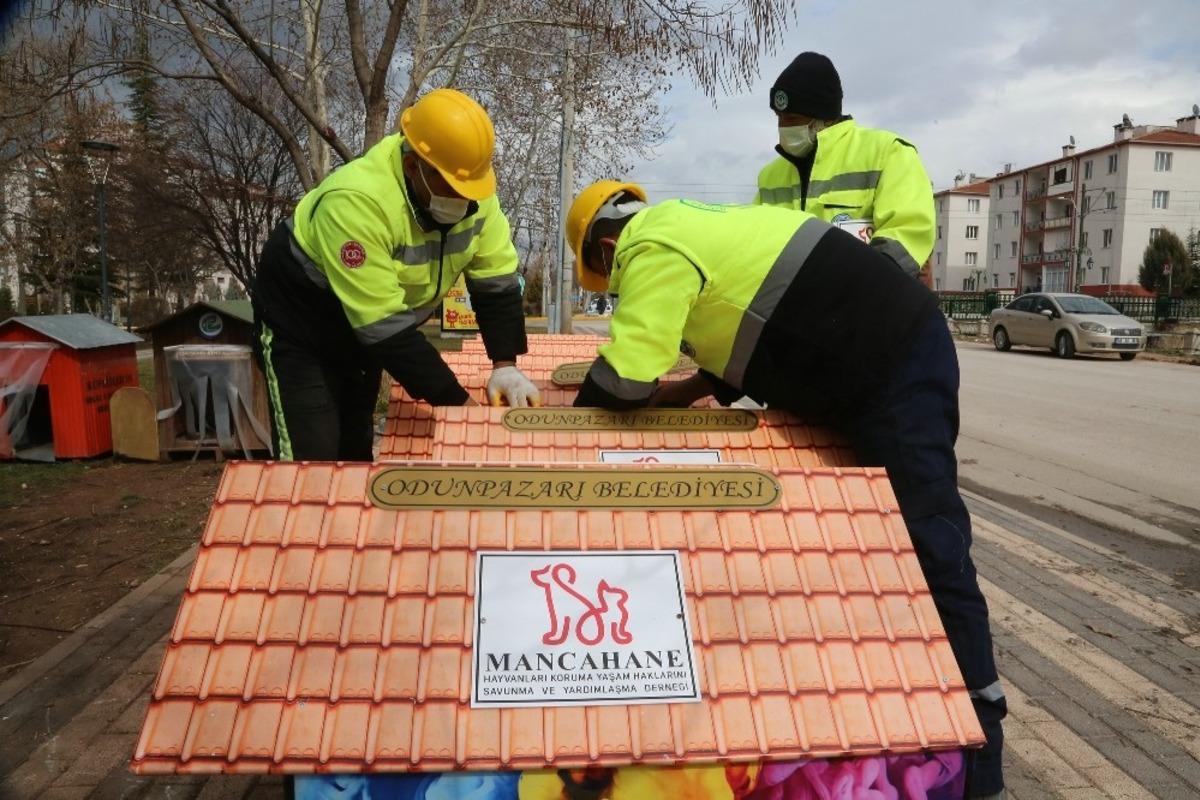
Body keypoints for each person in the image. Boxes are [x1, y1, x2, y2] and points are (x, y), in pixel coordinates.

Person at [567, 181, 1006, 799]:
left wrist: (564, 440)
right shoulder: (695, 225)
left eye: (608, 280)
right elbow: (749, 312)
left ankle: (981, 750)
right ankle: (881, 701)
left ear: (608, 245)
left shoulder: (651, 243)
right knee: (863, 545)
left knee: (930, 546)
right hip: (859, 365)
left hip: (892, 363)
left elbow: (627, 375)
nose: (617, 288)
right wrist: (692, 391)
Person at [252, 88, 539, 461]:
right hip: (302, 331)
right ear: (412, 165)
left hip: (364, 339)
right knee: (313, 463)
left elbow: (496, 281)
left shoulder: (475, 190)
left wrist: (505, 365)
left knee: (354, 453)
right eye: (449, 186)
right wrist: (458, 406)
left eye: (468, 189)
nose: (463, 199)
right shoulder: (357, 201)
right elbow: (385, 328)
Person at [756, 51, 935, 279]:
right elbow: (755, 246)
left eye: (791, 119)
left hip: (867, 309)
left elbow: (908, 233)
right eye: (778, 117)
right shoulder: (770, 176)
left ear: (823, 118)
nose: (782, 127)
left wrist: (854, 294)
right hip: (792, 311)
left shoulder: (887, 153)